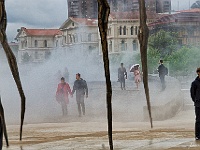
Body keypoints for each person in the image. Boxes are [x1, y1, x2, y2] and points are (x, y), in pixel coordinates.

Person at [190, 67, 200, 140]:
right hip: (198, 104)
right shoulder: (194, 83)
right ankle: (198, 135)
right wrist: (196, 100)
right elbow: (192, 94)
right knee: (198, 120)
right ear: (198, 73)